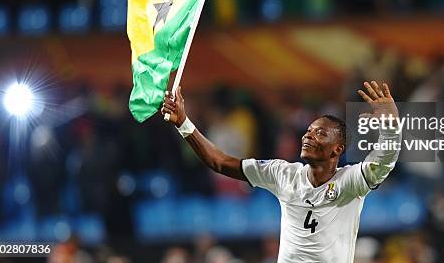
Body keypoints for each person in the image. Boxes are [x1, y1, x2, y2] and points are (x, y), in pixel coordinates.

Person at [161, 81, 401, 263]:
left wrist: (390, 127)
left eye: (319, 133)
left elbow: (382, 162)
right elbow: (220, 162)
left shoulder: (349, 182)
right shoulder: (283, 174)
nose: (308, 136)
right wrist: (184, 124)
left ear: (337, 149)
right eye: (308, 131)